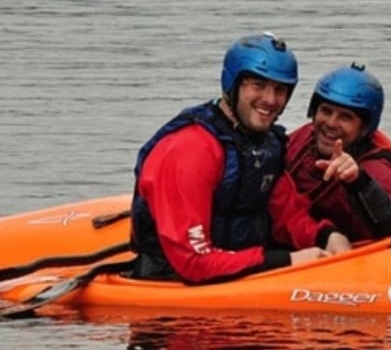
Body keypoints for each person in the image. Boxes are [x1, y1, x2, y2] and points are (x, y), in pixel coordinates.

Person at [130, 32, 353, 284]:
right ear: (233, 85)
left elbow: (287, 214)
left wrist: (327, 236)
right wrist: (285, 261)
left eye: (280, 90)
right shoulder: (190, 151)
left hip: (243, 272)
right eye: (257, 85)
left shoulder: (266, 143)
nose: (270, 100)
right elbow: (192, 262)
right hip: (173, 285)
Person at [286, 63, 391, 243]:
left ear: (365, 128)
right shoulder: (303, 139)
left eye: (345, 117)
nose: (331, 123)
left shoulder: (379, 171)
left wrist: (360, 183)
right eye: (326, 111)